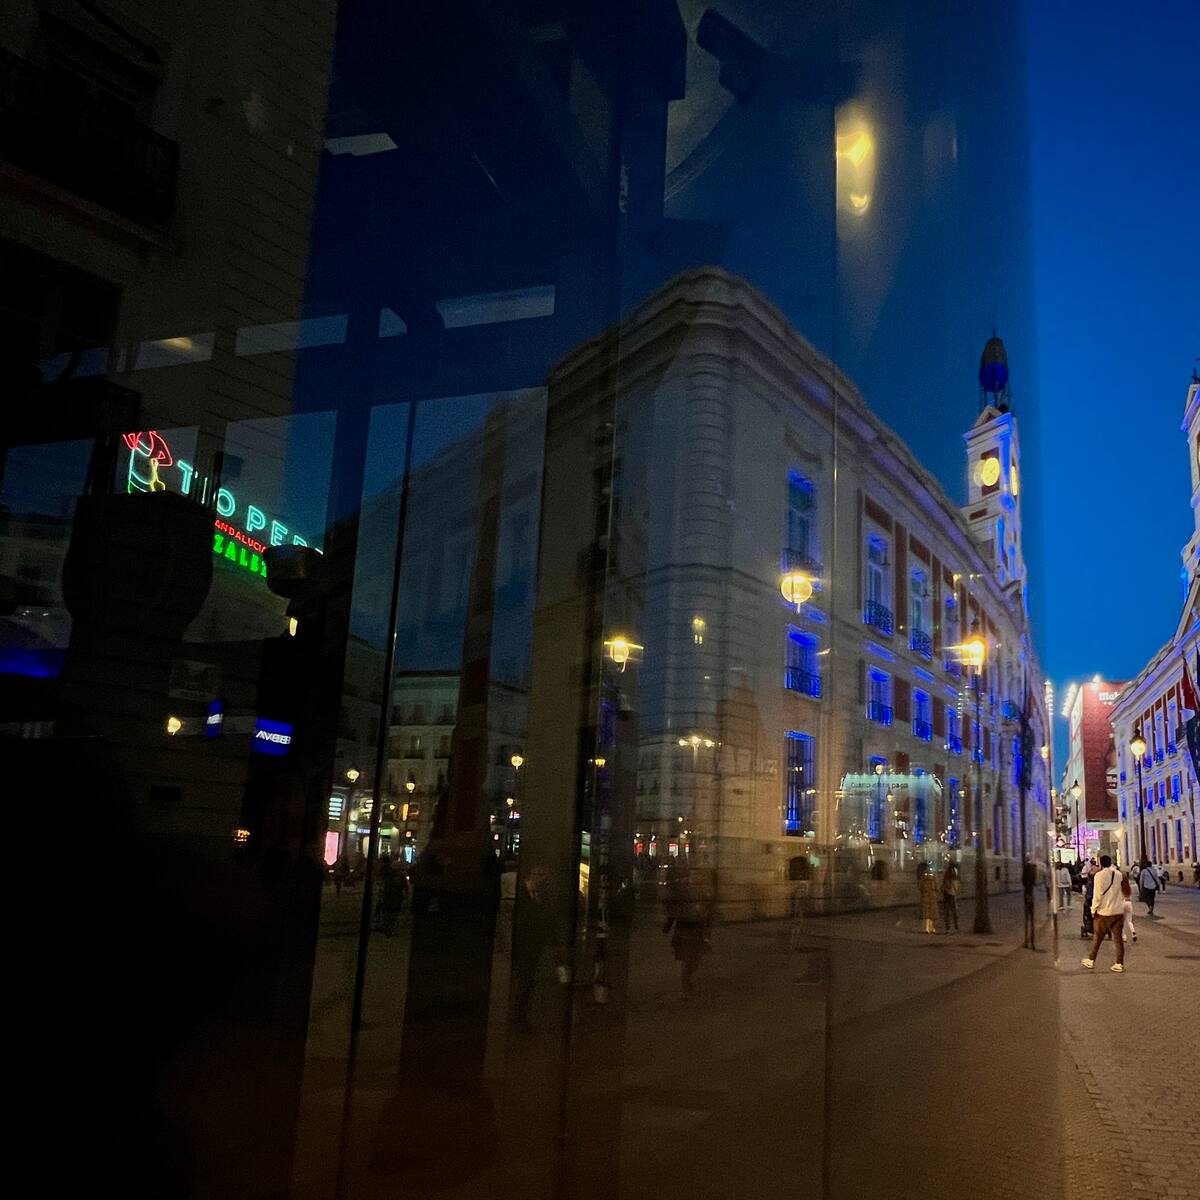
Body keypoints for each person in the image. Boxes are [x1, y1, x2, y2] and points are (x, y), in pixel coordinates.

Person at [662, 859, 715, 999]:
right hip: (684, 929)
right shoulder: (683, 889)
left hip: (698, 930)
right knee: (687, 959)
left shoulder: (704, 892)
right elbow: (672, 904)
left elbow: (708, 911)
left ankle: (688, 980)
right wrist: (669, 923)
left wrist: (708, 929)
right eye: (695, 873)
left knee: (695, 959)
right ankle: (686, 989)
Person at [1081, 854, 1125, 972]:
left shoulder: (1099, 876)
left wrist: (1093, 909)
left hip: (1104, 912)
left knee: (1098, 937)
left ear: (1100, 863)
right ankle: (1119, 963)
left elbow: (1097, 894)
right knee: (1118, 939)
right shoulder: (1119, 874)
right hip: (1118, 911)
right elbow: (1122, 891)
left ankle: (1091, 960)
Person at [917, 861, 938, 934]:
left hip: (925, 896)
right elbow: (936, 886)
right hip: (932, 896)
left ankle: (926, 928)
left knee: (926, 913)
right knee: (932, 913)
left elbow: (920, 886)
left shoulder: (923, 876)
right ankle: (932, 928)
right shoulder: (933, 876)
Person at [1022, 855, 1038, 949]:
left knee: (1027, 920)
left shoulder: (1026, 868)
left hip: (1027, 893)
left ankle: (1027, 942)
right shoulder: (1033, 868)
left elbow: (1023, 881)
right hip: (1031, 893)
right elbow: (1034, 881)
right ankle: (1032, 942)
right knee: (1032, 920)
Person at [941, 860, 961, 932]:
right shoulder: (955, 872)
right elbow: (956, 884)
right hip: (952, 894)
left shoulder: (947, 872)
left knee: (947, 912)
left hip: (946, 893)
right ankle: (956, 927)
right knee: (954, 911)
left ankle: (948, 928)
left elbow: (945, 883)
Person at [1120, 870, 1137, 944]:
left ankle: (1124, 937)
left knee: (1122, 922)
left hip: (1122, 903)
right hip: (1129, 903)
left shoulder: (1119, 886)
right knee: (1129, 920)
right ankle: (1133, 932)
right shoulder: (1128, 887)